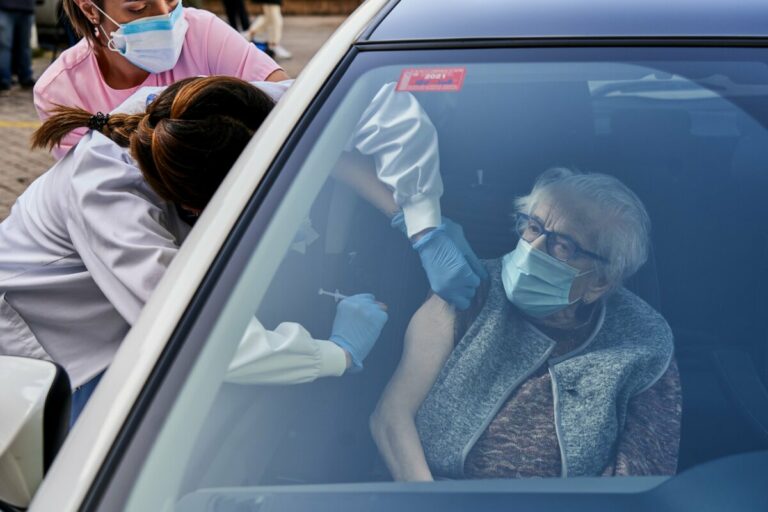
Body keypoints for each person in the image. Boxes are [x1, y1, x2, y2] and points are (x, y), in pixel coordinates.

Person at [0, 77, 385, 424]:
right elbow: (207, 340)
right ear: (198, 207)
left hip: (122, 308)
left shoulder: (217, 113)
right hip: (59, 348)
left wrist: (420, 221)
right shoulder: (110, 203)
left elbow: (364, 95)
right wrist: (338, 354)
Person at [371, 168, 682, 480]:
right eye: (534, 227)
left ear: (599, 283)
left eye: (563, 245)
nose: (533, 250)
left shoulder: (643, 339)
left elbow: (643, 476)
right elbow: (391, 417)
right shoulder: (465, 290)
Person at [33, 0, 288, 158]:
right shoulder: (59, 91)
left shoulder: (203, 32)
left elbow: (286, 99)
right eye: (139, 7)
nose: (165, 16)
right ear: (90, 8)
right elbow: (96, 194)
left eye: (171, 0)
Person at [0, 0, 35, 94]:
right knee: (24, 46)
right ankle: (25, 77)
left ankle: (4, 80)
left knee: (5, 47)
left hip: (8, 7)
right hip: (25, 7)